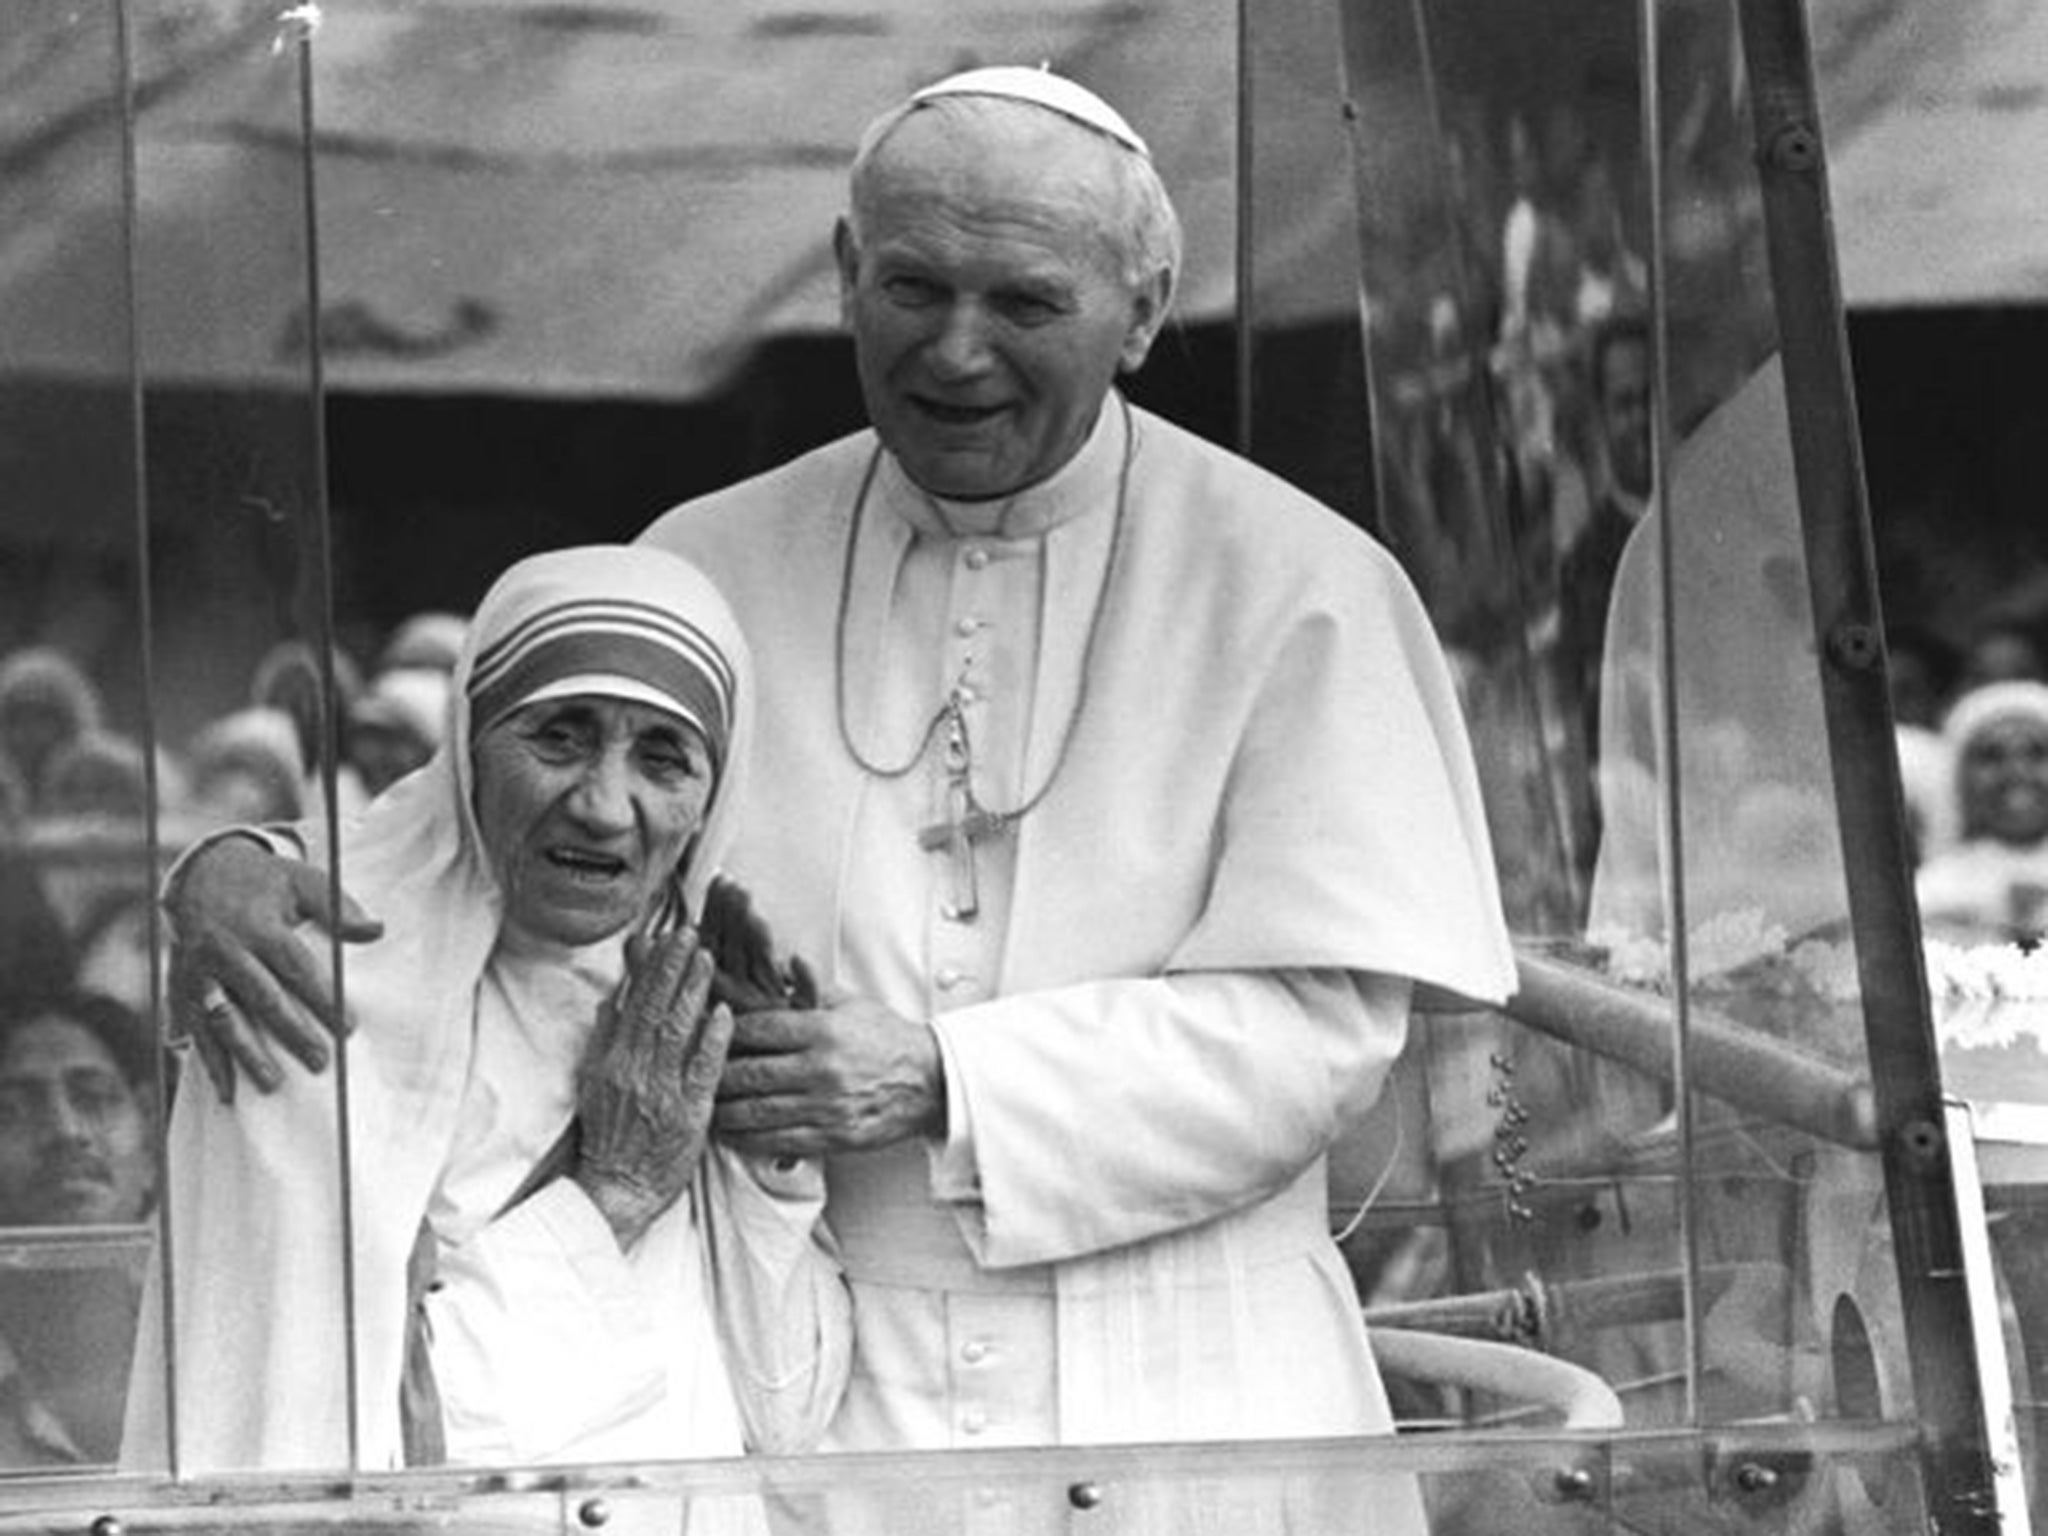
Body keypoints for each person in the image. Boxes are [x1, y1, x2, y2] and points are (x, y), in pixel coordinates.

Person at [165, 68, 1514, 1530]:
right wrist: (240, 862)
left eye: (1026, 305)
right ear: (844, 274)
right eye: (914, 287)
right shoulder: (716, 553)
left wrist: (946, 1077)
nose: (957, 351)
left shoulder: (1302, 586)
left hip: (1203, 1392)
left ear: (1143, 310)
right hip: (829, 1395)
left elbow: (1326, 1035)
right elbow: (492, 827)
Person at [124, 546, 848, 1495]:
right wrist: (612, 1198)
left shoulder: (691, 989)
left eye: (665, 757)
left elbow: (791, 1412)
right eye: (559, 737)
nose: (602, 806)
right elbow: (324, 1453)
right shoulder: (315, 986)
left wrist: (762, 1149)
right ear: (467, 747)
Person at [0, 990, 158, 1469]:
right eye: (11, 1111)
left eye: (95, 1098)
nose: (66, 1130)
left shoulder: (218, 1347)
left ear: (152, 1142)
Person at [1916, 678, 2048, 945]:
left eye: (2036, 753)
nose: (2017, 773)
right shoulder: (1933, 889)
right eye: (1992, 756)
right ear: (1959, 777)